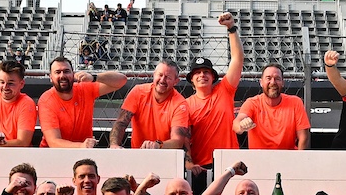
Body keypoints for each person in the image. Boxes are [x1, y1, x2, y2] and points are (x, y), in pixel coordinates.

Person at [185, 14, 246, 172]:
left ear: (213, 77)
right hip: (200, 167)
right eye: (197, 73)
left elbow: (237, 59)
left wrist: (231, 29)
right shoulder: (186, 105)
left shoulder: (224, 90)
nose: (202, 75)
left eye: (206, 72)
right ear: (192, 79)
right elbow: (184, 138)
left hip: (229, 163)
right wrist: (188, 163)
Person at [39, 57, 128, 149]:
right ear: (51, 77)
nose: (62, 76)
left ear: (73, 74)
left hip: (84, 150)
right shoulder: (46, 100)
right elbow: (54, 142)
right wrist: (81, 146)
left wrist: (94, 77)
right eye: (58, 72)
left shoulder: (85, 88)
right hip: (52, 153)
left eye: (66, 71)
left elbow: (122, 80)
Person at [112, 61, 193, 158]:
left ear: (176, 81)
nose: (162, 80)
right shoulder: (138, 92)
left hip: (165, 156)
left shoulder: (180, 104)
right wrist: (114, 145)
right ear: (154, 75)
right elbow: (121, 123)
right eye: (160, 75)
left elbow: (177, 141)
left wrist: (158, 145)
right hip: (138, 154)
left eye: (168, 77)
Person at [236, 64, 311, 150]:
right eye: (268, 78)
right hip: (258, 159)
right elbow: (236, 124)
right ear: (261, 82)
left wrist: (299, 161)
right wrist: (241, 125)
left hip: (287, 158)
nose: (273, 82)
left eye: (277, 79)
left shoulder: (295, 102)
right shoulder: (252, 103)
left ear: (283, 83)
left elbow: (303, 137)